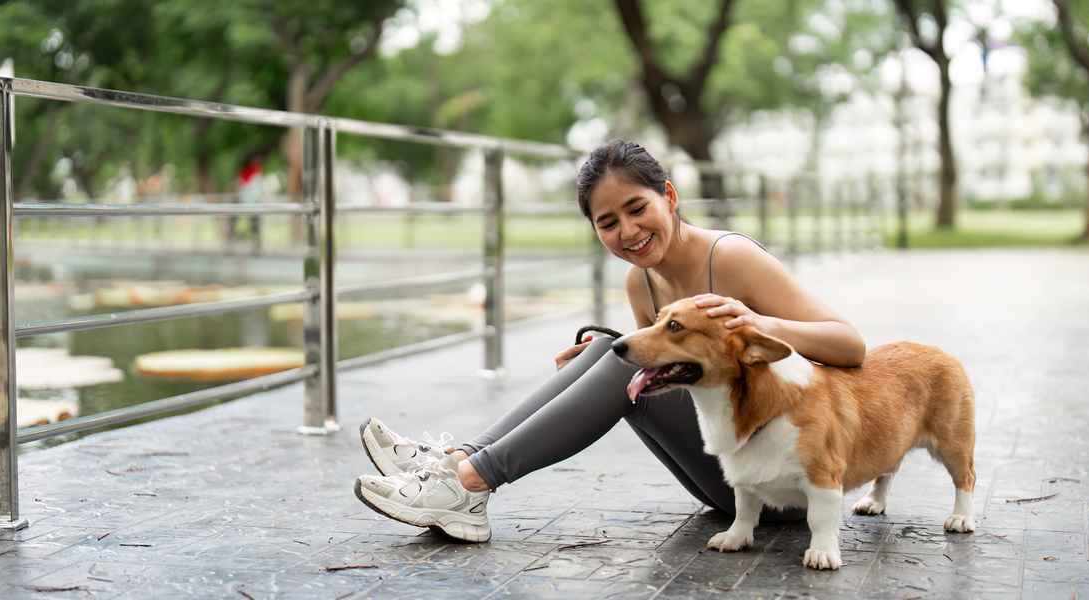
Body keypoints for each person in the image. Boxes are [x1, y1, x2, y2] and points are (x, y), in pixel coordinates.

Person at [353, 140, 866, 543]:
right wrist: (607, 358)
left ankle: (468, 483)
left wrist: (760, 323)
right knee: (611, 352)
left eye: (637, 207)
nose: (629, 231)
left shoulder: (730, 258)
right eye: (608, 222)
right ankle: (458, 463)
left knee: (618, 358)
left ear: (669, 196)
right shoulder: (638, 280)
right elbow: (674, 376)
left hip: (791, 486)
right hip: (732, 475)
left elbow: (850, 345)